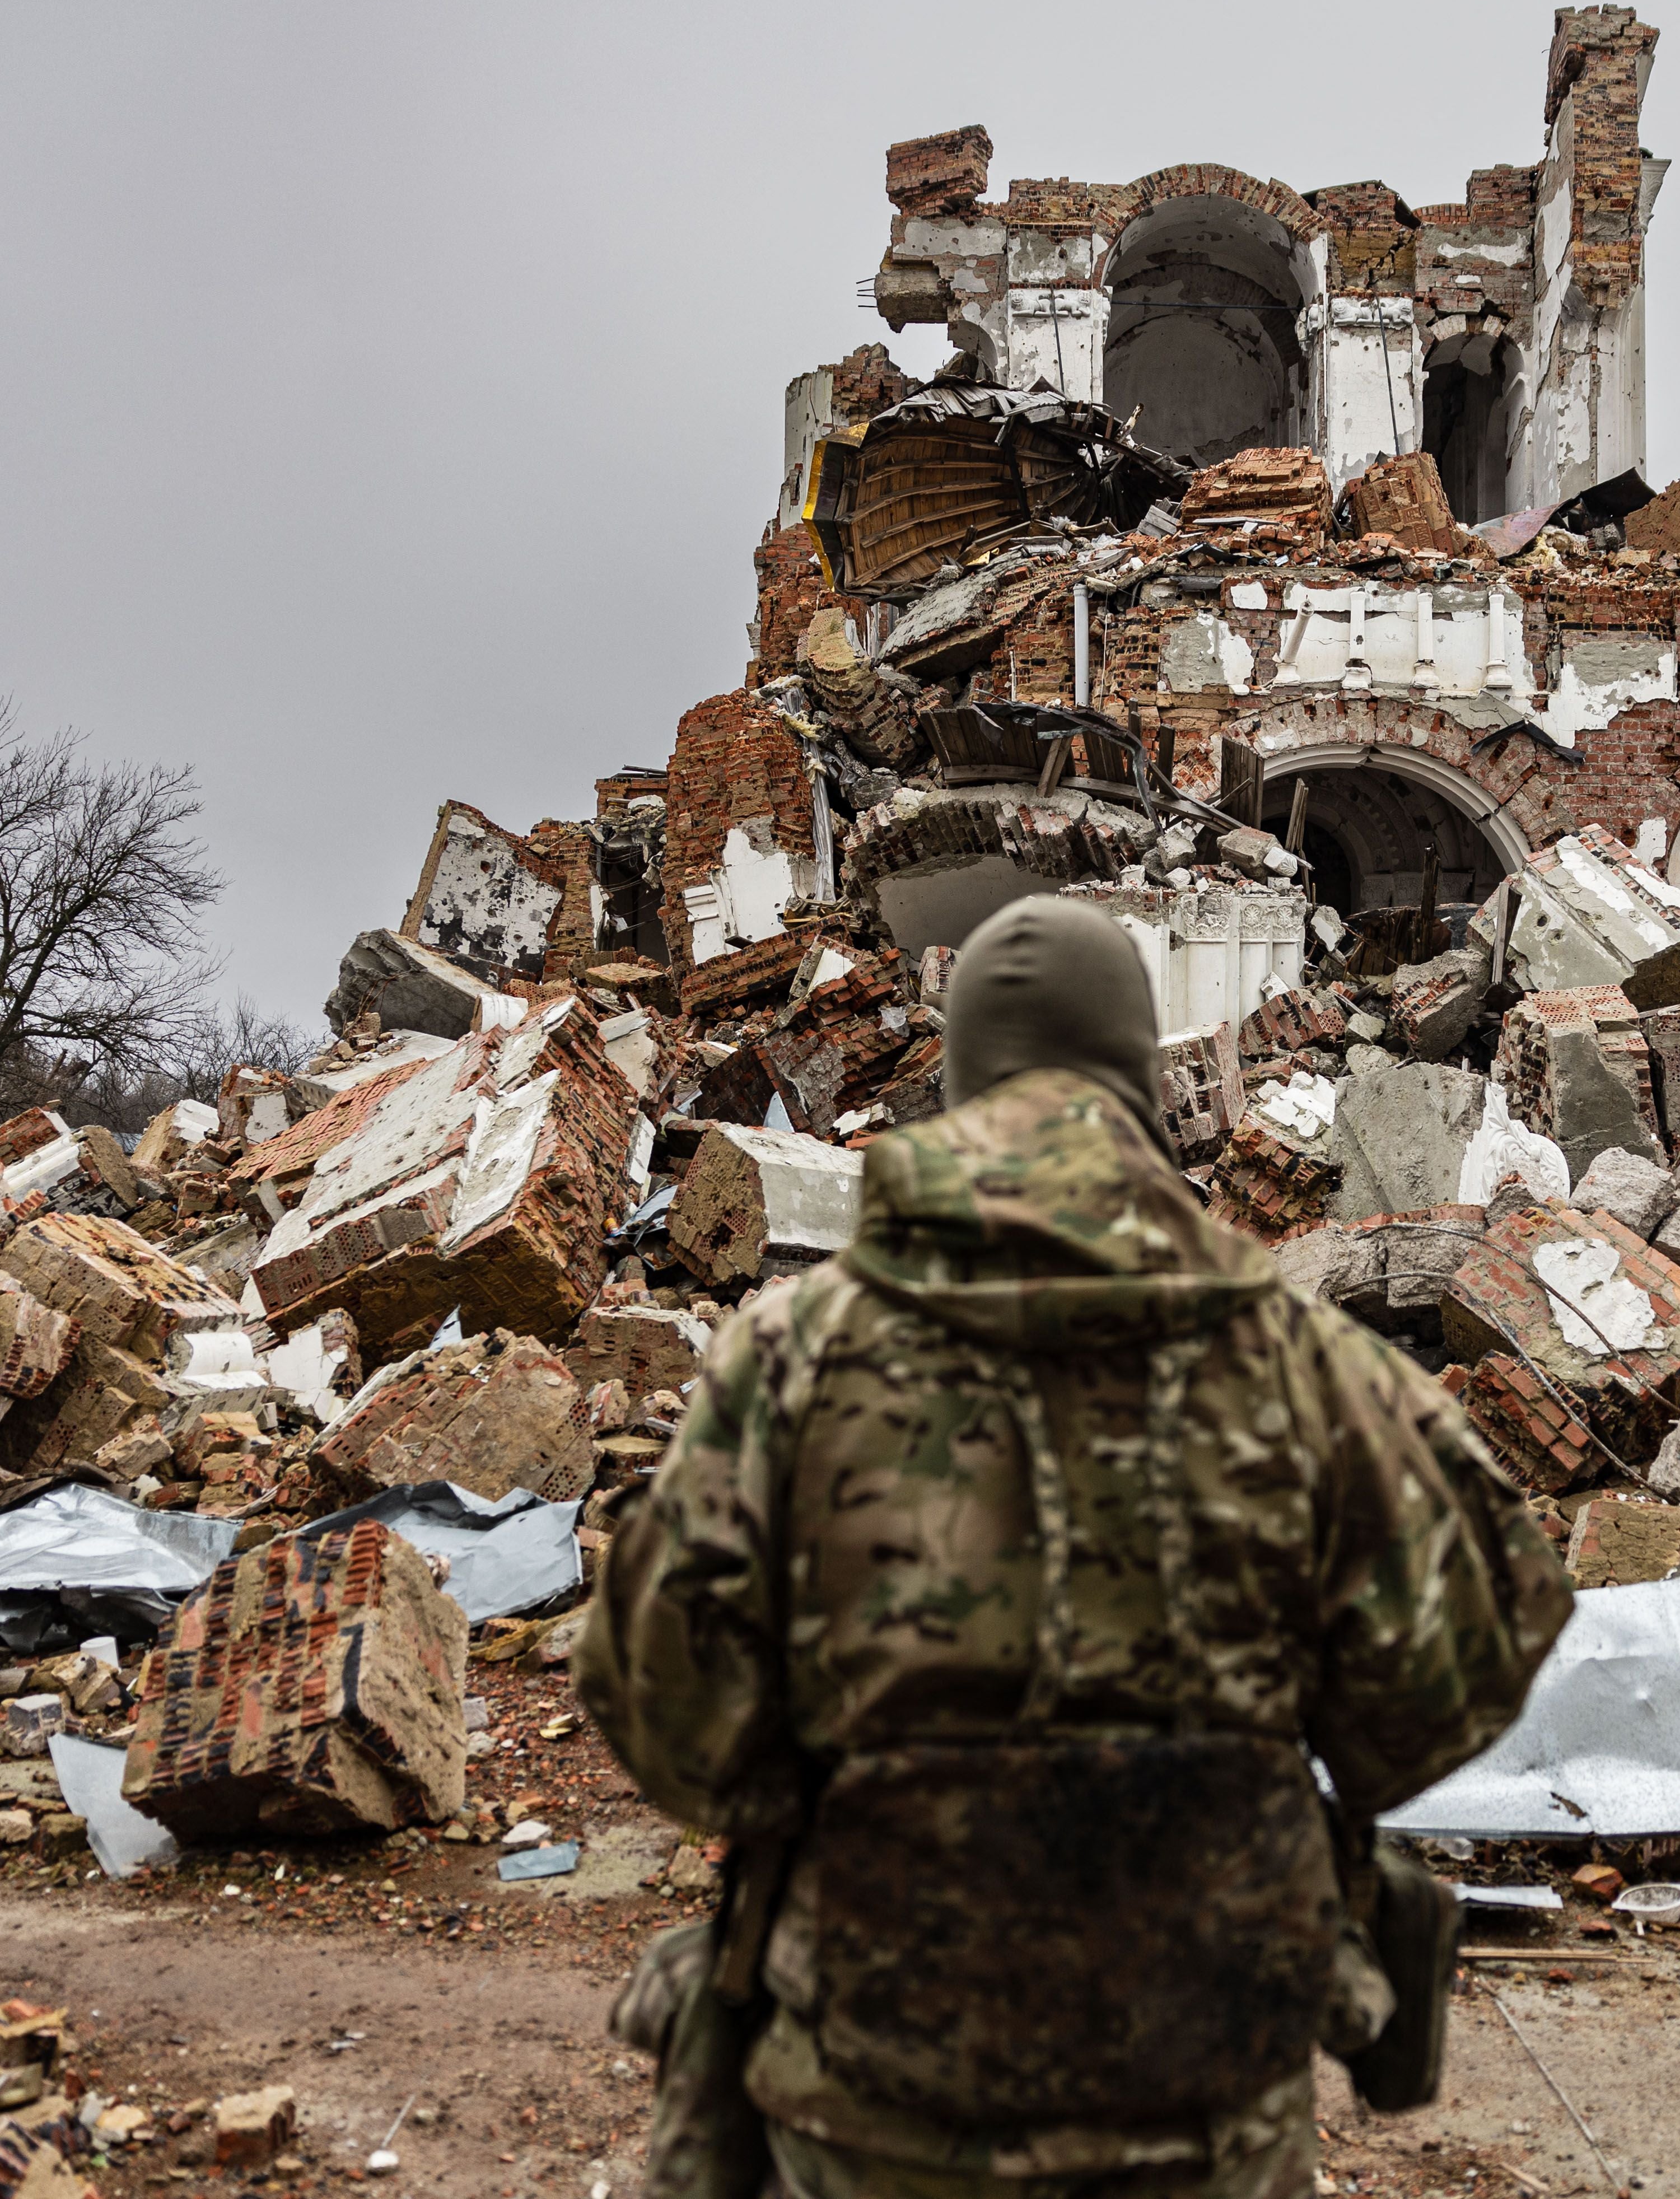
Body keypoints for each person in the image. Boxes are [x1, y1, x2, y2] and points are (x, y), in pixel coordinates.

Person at [582, 894, 1571, 2199]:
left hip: (875, 2098)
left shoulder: (793, 1357)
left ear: (961, 1076)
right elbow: (1476, 1647)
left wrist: (836, 1786)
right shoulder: (1296, 1361)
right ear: (1134, 1079)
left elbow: (663, 1710)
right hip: (1202, 2104)